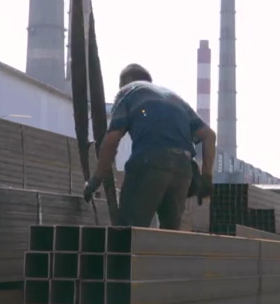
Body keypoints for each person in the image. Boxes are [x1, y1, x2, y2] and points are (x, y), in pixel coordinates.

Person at [86, 64, 216, 228]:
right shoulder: (175, 98)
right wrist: (207, 177)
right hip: (183, 167)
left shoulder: (129, 91)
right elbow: (209, 136)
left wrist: (96, 178)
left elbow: (112, 138)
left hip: (150, 161)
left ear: (127, 80)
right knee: (170, 233)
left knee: (130, 231)